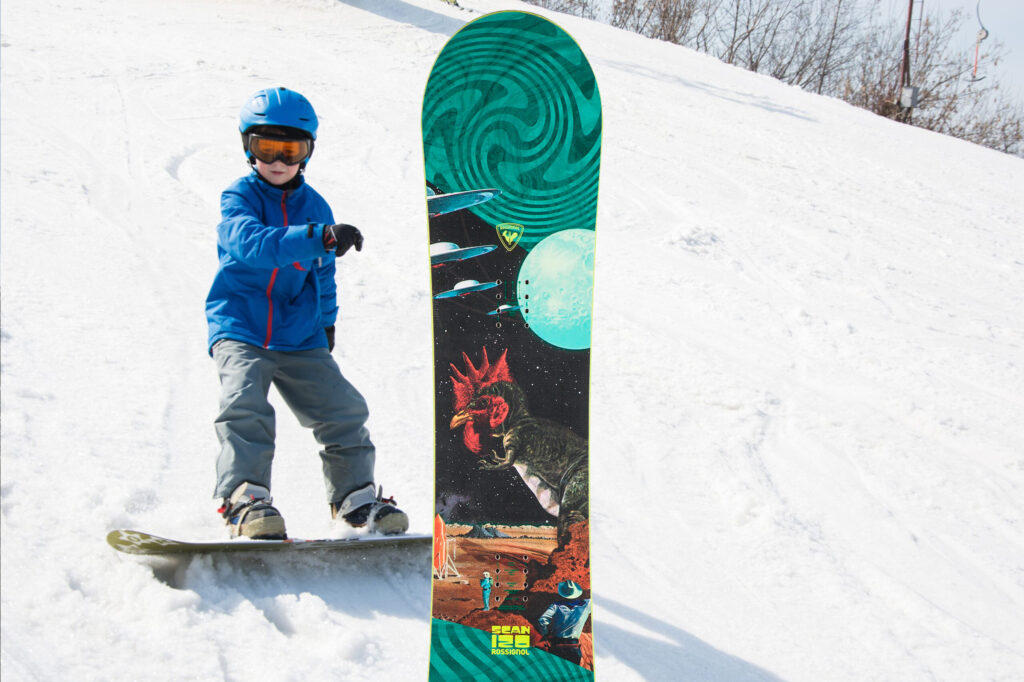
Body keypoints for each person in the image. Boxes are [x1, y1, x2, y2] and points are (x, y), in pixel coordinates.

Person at [206, 86, 407, 540]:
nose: (277, 160)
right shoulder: (237, 198)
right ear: (247, 147)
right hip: (241, 327)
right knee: (245, 405)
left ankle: (355, 501)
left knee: (343, 410)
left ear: (307, 152)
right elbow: (253, 246)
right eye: (265, 147)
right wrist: (320, 236)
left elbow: (323, 275)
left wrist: (327, 321)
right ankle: (246, 499)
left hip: (300, 334)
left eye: (290, 149)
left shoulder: (315, 207)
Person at [537, 580, 591, 665]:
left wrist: (546, 634)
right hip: (574, 647)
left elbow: (542, 620)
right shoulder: (587, 604)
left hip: (557, 645)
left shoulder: (556, 605)